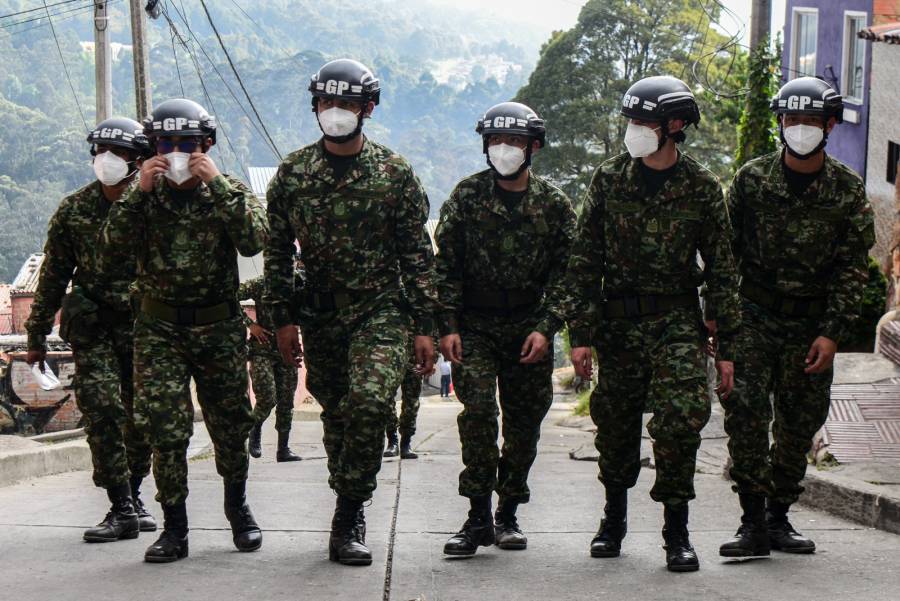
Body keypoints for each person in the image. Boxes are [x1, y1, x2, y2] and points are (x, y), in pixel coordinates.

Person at [562, 76, 741, 572]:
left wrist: (724, 346)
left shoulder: (703, 187)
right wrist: (580, 336)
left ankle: (676, 532)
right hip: (618, 325)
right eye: (631, 121)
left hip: (677, 323)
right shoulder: (608, 179)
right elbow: (584, 261)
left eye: (645, 122)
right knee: (616, 426)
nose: (634, 130)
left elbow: (724, 271)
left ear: (675, 125)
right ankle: (612, 522)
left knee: (682, 419)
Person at [264, 59, 438, 566]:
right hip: (319, 315)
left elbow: (416, 256)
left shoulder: (394, 173)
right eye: (326, 102)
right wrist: (282, 319)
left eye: (346, 104)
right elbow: (275, 251)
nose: (334, 112)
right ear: (315, 106)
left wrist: (425, 326)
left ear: (368, 109)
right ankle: (348, 495)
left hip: (380, 311)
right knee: (339, 417)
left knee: (368, 404)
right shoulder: (293, 174)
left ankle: (348, 514)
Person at [98, 98, 268, 563]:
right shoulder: (142, 197)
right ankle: (174, 528)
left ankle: (238, 509)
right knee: (165, 430)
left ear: (206, 145)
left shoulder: (228, 189)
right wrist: (139, 193)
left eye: (186, 144)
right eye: (165, 143)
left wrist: (218, 185)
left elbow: (255, 238)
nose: (175, 152)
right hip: (159, 330)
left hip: (218, 328)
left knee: (230, 427)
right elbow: (109, 254)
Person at [718, 77, 874, 558]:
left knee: (798, 424)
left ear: (828, 125)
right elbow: (725, 255)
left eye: (809, 120)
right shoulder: (751, 180)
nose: (799, 128)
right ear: (779, 123)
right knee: (745, 417)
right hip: (754, 317)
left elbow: (854, 270)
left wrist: (832, 334)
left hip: (811, 326)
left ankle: (778, 517)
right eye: (791, 119)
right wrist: (720, 321)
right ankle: (751, 523)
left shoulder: (847, 190)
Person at [435, 101, 575, 556]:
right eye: (496, 141)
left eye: (513, 141)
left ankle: (508, 512)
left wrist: (547, 325)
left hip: (528, 329)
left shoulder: (554, 205)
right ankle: (477, 517)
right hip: (474, 326)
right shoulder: (466, 196)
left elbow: (568, 274)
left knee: (524, 425)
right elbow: (446, 267)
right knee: (477, 416)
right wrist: (448, 324)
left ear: (533, 146)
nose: (504, 149)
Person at [25, 118, 155, 543]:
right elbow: (53, 276)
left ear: (138, 160)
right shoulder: (73, 209)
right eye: (101, 151)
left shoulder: (153, 207)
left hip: (143, 325)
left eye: (118, 153)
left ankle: (135, 497)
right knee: (102, 411)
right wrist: (36, 334)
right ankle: (120, 506)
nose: (108, 160)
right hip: (94, 326)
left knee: (141, 418)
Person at [239, 264, 303, 463]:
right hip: (262, 348)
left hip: (286, 349)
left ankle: (283, 449)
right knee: (267, 396)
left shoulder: (298, 283)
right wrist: (252, 325)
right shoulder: (261, 283)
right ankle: (254, 428)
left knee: (286, 401)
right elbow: (229, 296)